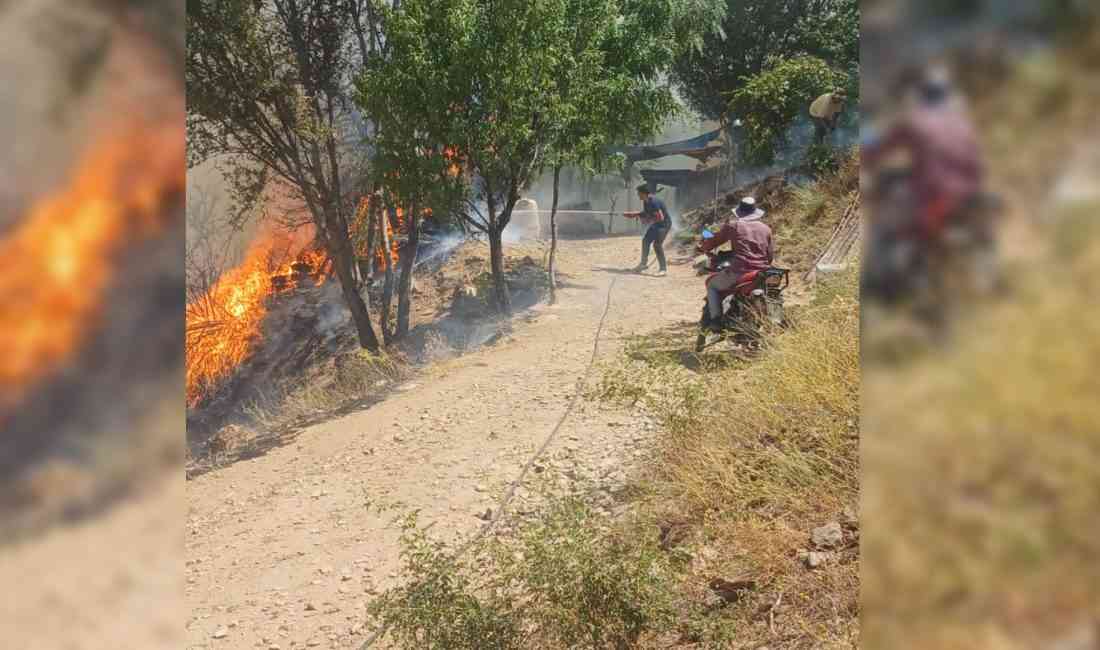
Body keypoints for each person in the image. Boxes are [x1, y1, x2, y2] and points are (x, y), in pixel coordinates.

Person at [862, 67, 985, 244]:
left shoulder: (914, 119)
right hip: (971, 192)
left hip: (933, 191)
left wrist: (866, 155)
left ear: (921, 95)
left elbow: (880, 149)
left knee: (888, 185)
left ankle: (889, 249)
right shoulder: (963, 124)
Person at [697, 197, 774, 331]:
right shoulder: (766, 228)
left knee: (712, 285)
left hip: (740, 271)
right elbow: (770, 255)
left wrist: (704, 247)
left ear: (739, 211)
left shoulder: (734, 225)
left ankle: (716, 321)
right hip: (762, 273)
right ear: (755, 212)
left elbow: (714, 241)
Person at [624, 184, 672, 276]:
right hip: (657, 224)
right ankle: (643, 264)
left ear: (644, 193)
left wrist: (647, 220)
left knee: (657, 245)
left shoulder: (654, 202)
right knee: (645, 241)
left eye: (639, 193)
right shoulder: (646, 201)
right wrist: (634, 214)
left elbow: (660, 217)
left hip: (664, 225)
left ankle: (663, 269)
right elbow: (646, 213)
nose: (638, 195)